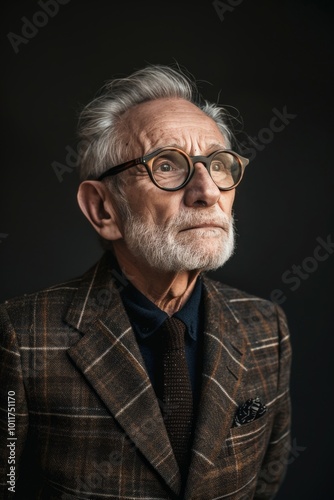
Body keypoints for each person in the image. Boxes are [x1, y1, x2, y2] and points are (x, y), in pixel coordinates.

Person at [0, 64, 292, 500]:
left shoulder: (268, 328)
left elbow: (266, 481)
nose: (207, 190)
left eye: (218, 164)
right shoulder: (21, 335)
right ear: (103, 209)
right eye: (166, 165)